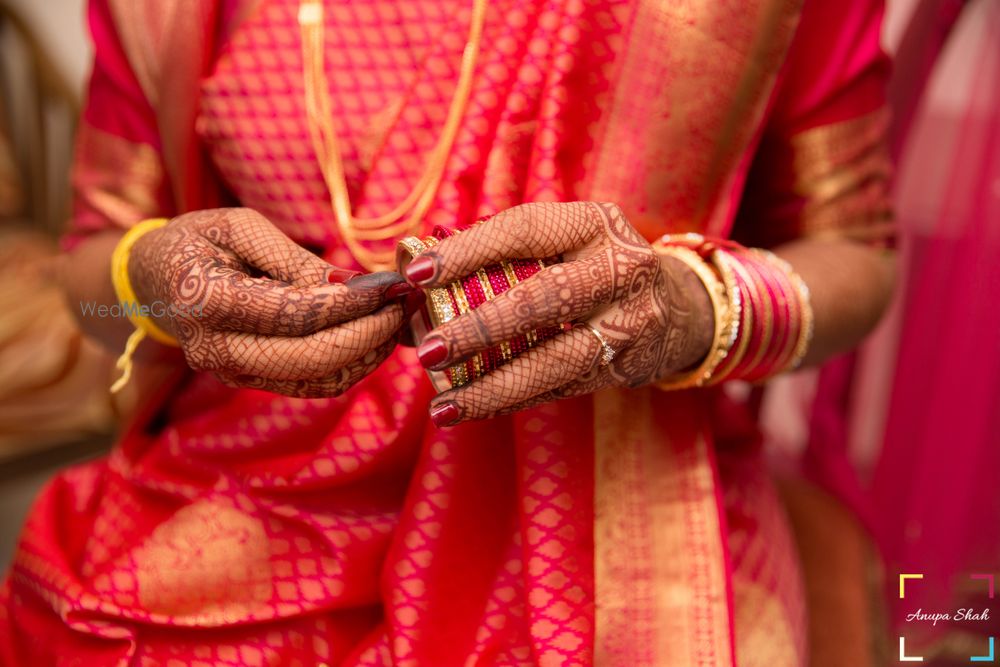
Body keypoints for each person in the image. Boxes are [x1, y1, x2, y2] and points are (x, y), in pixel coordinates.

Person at [0, 0, 895, 664]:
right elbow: (88, 281)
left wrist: (696, 307)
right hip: (252, 480)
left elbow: (857, 253)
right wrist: (151, 286)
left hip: (620, 487)